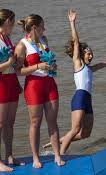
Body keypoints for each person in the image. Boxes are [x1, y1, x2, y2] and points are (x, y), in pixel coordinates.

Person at [43, 9, 106, 154]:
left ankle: (59, 141)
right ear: (81, 54)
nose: (90, 54)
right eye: (88, 52)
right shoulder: (78, 64)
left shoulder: (89, 68)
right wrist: (72, 23)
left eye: (91, 52)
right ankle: (61, 154)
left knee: (85, 133)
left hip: (87, 99)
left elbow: (100, 65)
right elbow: (76, 42)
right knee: (75, 129)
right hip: (79, 97)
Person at [15, 14, 65, 168]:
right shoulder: (22, 45)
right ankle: (36, 158)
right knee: (35, 122)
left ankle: (57, 155)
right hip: (34, 86)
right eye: (43, 26)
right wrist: (38, 66)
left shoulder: (45, 40)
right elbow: (18, 71)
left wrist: (52, 66)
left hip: (49, 83)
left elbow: (49, 61)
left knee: (52, 121)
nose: (45, 28)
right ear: (35, 28)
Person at [0, 8, 24, 172]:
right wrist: (9, 64)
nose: (13, 25)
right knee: (0, 123)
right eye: (12, 22)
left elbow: (12, 62)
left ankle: (9, 155)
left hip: (10, 81)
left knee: (10, 122)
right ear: (6, 21)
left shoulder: (7, 38)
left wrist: (16, 64)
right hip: (1, 82)